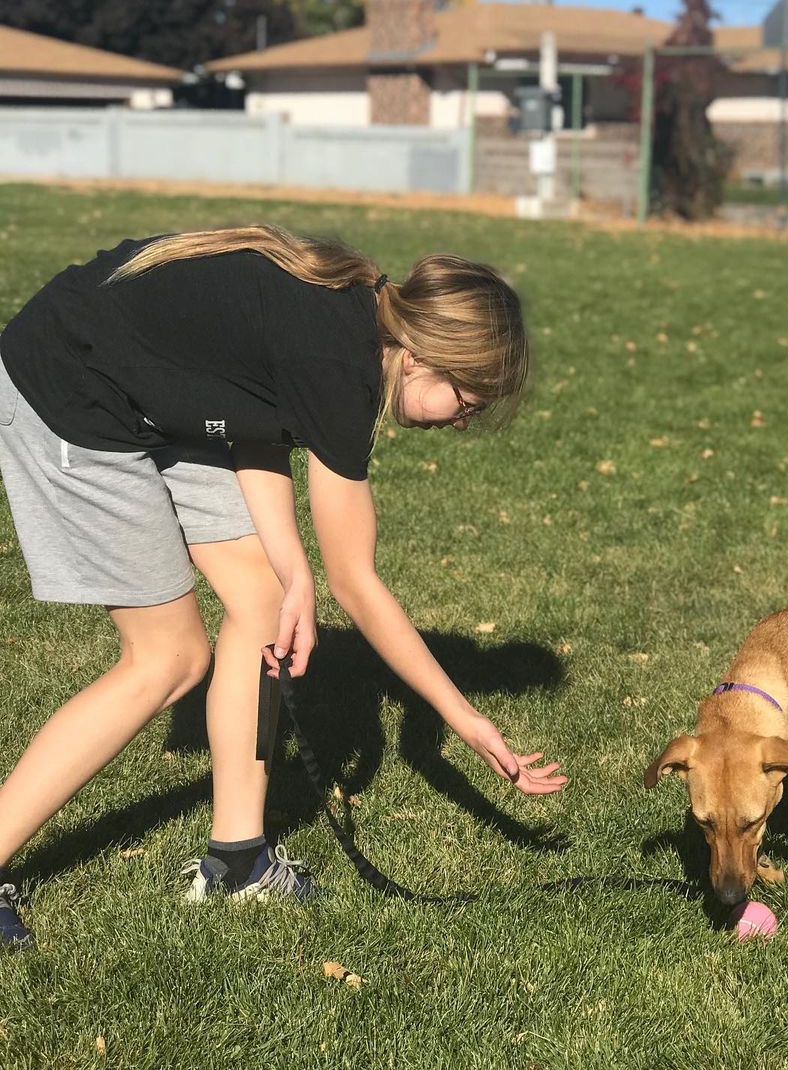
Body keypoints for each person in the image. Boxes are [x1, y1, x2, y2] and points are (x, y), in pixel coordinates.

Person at [0, 225, 566, 948]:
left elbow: (253, 422)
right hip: (72, 385)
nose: (464, 420)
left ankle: (237, 860)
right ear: (423, 356)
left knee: (265, 601)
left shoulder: (353, 319)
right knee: (168, 660)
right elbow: (357, 585)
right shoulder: (340, 363)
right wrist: (466, 720)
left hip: (150, 386)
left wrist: (292, 569)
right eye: (469, 401)